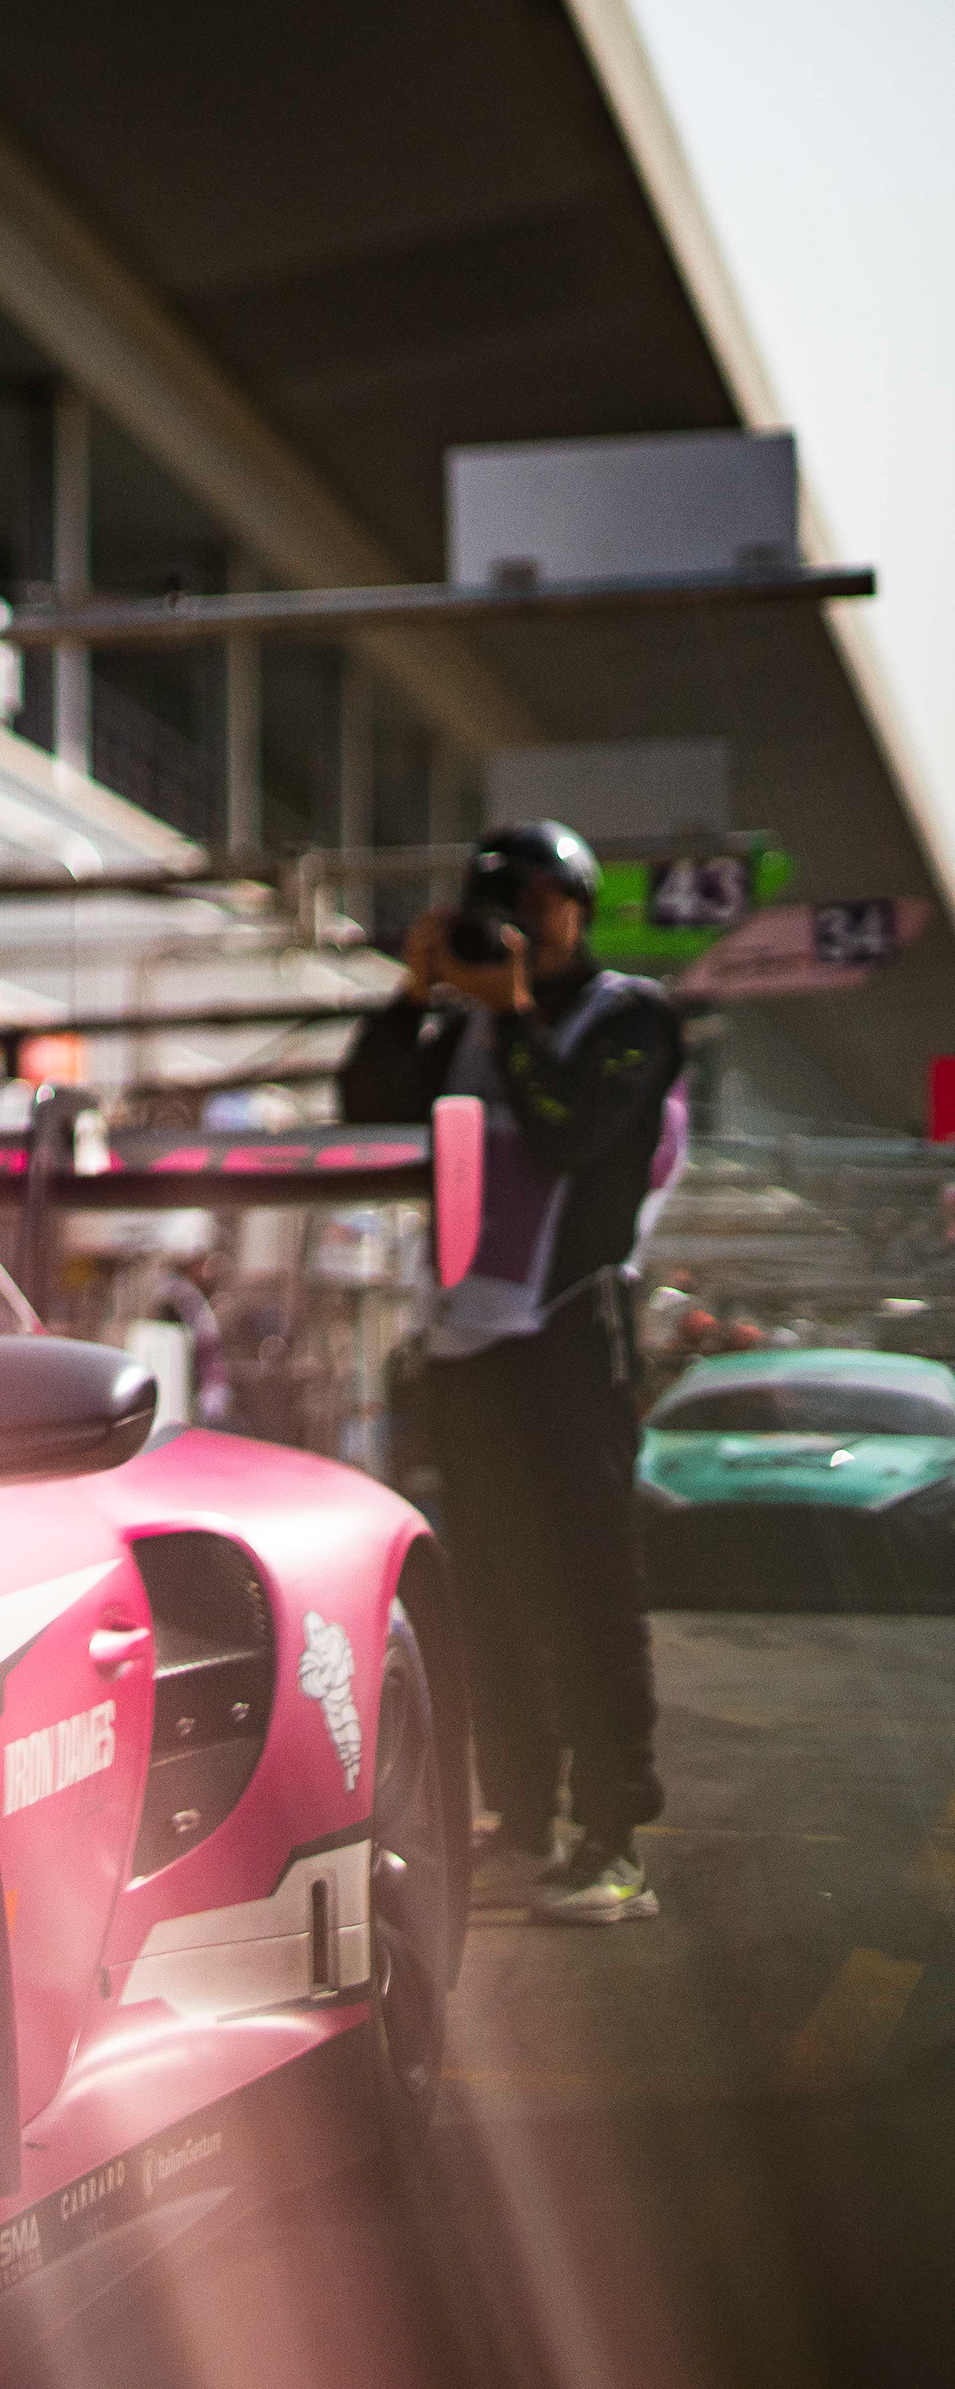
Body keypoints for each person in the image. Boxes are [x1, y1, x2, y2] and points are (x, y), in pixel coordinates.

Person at [340, 819, 685, 1926]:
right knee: (490, 1592)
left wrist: (519, 1013)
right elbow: (365, 1103)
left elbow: (574, 1134)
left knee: (589, 1587)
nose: (517, 929)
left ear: (577, 907)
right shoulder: (469, 1028)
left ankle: (612, 1837)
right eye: (495, 909)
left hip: (573, 1336)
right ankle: (522, 1814)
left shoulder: (630, 1016)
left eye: (534, 904)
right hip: (467, 1346)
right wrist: (413, 991)